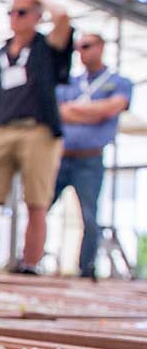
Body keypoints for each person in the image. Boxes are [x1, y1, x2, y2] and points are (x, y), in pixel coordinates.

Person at [0, 0, 72, 275]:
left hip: (38, 129)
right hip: (1, 130)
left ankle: (30, 264)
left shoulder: (45, 48)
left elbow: (63, 18)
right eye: (12, 12)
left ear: (38, 17)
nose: (15, 17)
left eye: (23, 12)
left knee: (37, 201)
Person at [50, 33, 132, 279]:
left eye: (86, 46)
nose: (81, 52)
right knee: (38, 206)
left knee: (89, 215)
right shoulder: (69, 83)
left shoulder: (118, 82)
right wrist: (93, 112)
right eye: (78, 48)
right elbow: (57, 112)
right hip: (61, 157)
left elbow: (111, 108)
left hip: (90, 159)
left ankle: (86, 268)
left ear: (101, 47)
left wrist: (76, 110)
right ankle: (28, 259)